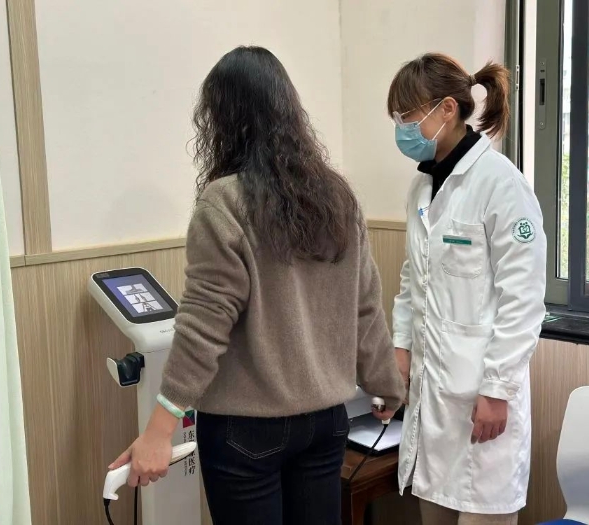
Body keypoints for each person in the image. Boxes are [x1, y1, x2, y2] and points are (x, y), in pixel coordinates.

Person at [108, 46, 406, 525]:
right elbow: (365, 305)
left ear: (221, 120)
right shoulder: (337, 198)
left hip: (246, 431)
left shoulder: (224, 202)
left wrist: (159, 431)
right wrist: (385, 384)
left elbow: (204, 326)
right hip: (325, 423)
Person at [387, 53, 547, 524]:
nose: (401, 129)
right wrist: (400, 347)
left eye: (407, 116)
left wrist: (497, 389)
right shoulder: (421, 188)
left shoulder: (502, 184)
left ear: (446, 110)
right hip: (432, 405)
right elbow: (412, 279)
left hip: (482, 401)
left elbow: (523, 301)